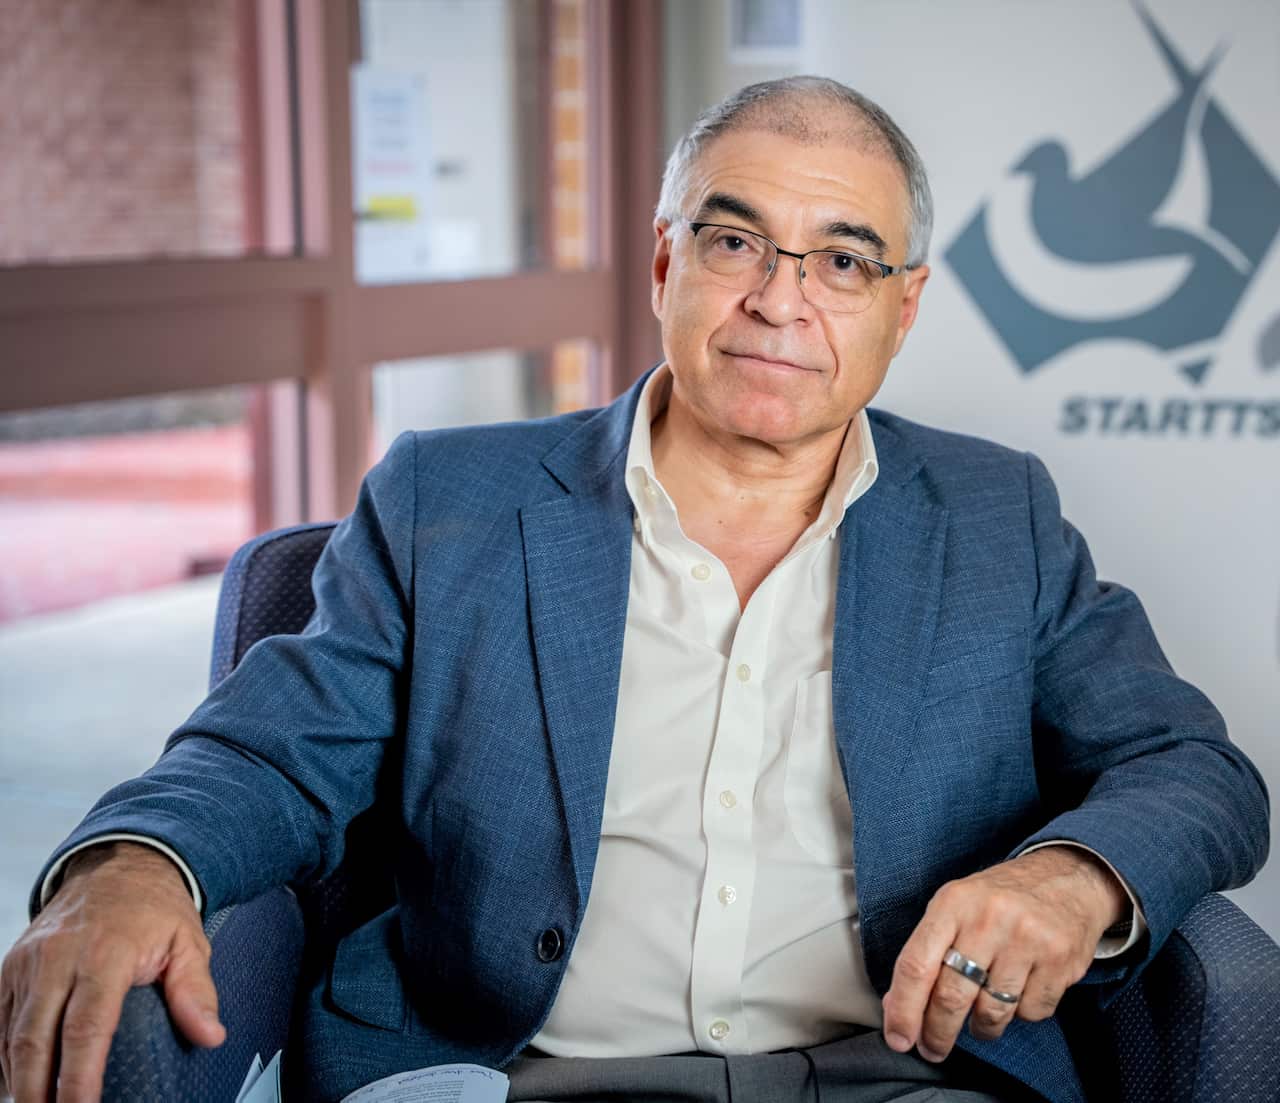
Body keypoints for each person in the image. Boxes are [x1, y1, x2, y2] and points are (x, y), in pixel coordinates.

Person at [0, 76, 1268, 1103]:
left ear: (903, 308)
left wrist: (1074, 874)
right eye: (735, 242)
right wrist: (130, 860)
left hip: (906, 1076)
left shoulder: (998, 517)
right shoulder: (450, 501)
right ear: (666, 263)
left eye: (840, 261)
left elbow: (1194, 767)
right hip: (518, 1072)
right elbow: (269, 755)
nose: (779, 300)